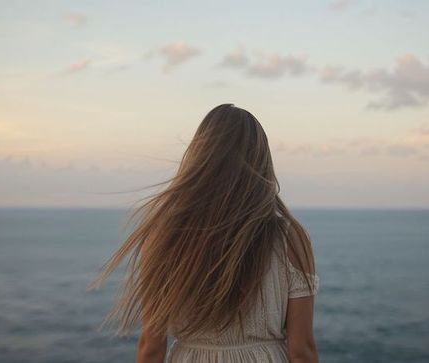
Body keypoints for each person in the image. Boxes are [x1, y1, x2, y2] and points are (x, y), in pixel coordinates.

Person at [88, 103, 320, 362]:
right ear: (262, 161)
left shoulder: (164, 236)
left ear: (199, 159)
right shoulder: (290, 237)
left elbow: (151, 347)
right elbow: (301, 350)